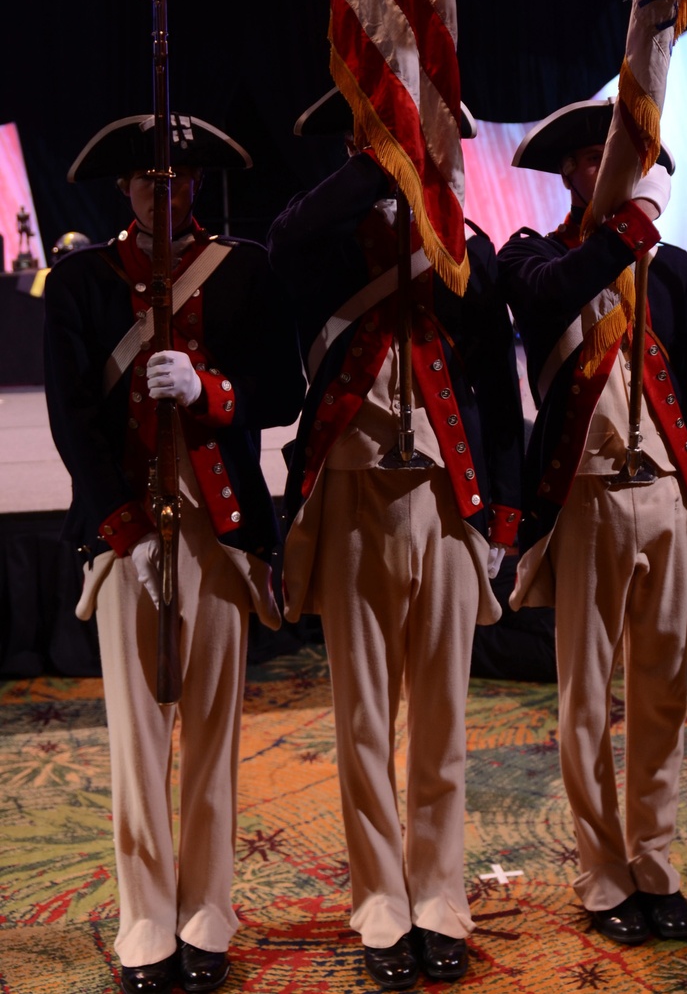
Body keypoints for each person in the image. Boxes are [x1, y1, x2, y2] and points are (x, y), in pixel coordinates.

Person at [43, 113, 305, 994]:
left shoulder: (245, 270)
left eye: (182, 178)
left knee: (216, 739)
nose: (168, 189)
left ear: (198, 185)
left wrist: (211, 387)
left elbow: (284, 388)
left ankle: (208, 914)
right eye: (152, 178)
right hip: (127, 540)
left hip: (221, 537)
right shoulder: (80, 282)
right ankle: (147, 917)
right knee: (137, 742)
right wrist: (119, 522)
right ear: (127, 187)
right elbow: (72, 418)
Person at [267, 91, 522, 992]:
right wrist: (377, 162)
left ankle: (439, 897)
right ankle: (380, 900)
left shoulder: (466, 249)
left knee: (444, 720)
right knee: (364, 717)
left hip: (450, 500)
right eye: (415, 135)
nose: (434, 149)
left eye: (438, 138)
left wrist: (506, 515)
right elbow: (285, 237)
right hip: (352, 493)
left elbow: (497, 387)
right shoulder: (325, 239)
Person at [497, 98, 687, 949]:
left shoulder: (677, 271)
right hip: (584, 494)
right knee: (586, 698)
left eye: (627, 157)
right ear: (571, 175)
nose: (614, 170)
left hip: (665, 490)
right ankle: (601, 869)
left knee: (664, 689)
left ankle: (655, 863)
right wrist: (626, 230)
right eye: (597, 158)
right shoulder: (530, 257)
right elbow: (556, 295)